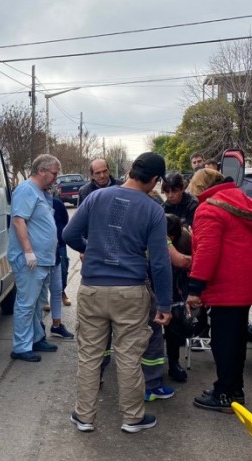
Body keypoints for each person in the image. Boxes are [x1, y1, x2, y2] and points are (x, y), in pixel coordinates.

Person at [63, 152, 173, 434]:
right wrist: (164, 303)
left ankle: (84, 417)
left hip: (92, 289)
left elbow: (69, 235)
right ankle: (133, 418)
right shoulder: (153, 210)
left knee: (90, 354)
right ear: (154, 180)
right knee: (128, 356)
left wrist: (90, 248)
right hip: (130, 292)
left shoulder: (97, 197)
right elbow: (160, 263)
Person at [185, 168, 252, 413]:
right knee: (235, 341)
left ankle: (225, 393)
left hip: (227, 286)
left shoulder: (209, 209)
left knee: (223, 343)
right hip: (244, 282)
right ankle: (233, 389)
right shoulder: (237, 202)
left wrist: (195, 288)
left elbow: (207, 252)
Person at [7, 154, 61, 363]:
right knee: (26, 304)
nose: (56, 177)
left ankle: (36, 338)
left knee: (38, 303)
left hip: (43, 260)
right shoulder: (25, 190)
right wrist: (28, 251)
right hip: (31, 260)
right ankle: (21, 347)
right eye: (54, 173)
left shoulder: (39, 192)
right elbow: (19, 221)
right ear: (42, 171)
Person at [164, 214, 192, 383]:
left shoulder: (185, 240)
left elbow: (185, 264)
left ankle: (174, 363)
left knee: (174, 322)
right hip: (149, 283)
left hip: (176, 286)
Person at [47, 189, 74, 339]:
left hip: (59, 248)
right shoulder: (33, 203)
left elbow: (65, 222)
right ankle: (37, 329)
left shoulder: (57, 203)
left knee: (58, 286)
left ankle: (56, 325)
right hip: (42, 252)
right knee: (38, 291)